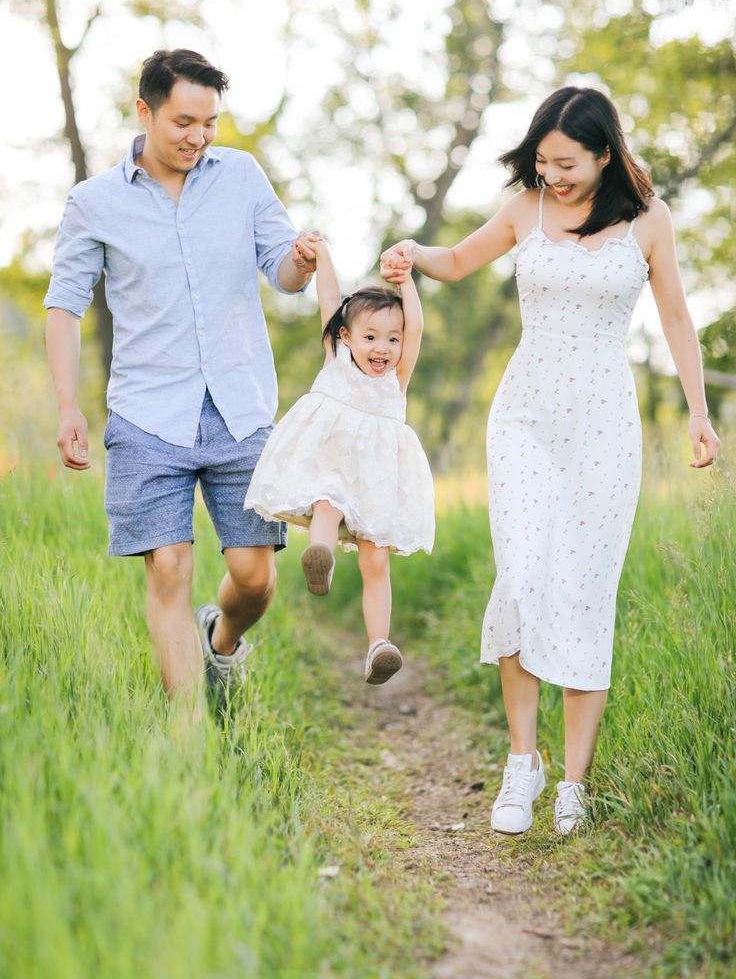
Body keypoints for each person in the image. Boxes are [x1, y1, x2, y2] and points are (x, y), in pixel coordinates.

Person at [381, 85, 720, 834]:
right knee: (521, 581)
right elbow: (459, 260)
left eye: (567, 163)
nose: (553, 176)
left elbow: (674, 318)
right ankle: (521, 766)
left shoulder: (648, 221)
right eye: (542, 162)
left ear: (606, 154)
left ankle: (573, 783)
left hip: (602, 428)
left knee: (584, 594)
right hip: (524, 420)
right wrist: (414, 256)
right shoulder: (523, 210)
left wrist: (698, 412)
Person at [44, 48, 317, 722]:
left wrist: (302, 263)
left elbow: (281, 270)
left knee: (255, 579)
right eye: (184, 121)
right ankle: (190, 742)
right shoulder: (95, 202)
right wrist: (67, 405)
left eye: (210, 122)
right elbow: (64, 304)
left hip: (240, 406)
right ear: (145, 111)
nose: (197, 136)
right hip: (146, 414)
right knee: (168, 568)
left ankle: (220, 642)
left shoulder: (242, 177)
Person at [245, 231, 434, 684]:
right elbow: (329, 295)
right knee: (326, 502)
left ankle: (378, 645)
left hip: (375, 481)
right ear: (346, 336)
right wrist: (325, 254)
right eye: (370, 337)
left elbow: (418, 327)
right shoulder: (337, 358)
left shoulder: (397, 378)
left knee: (376, 559)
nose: (382, 349)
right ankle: (320, 557)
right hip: (332, 467)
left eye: (392, 339)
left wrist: (406, 281)